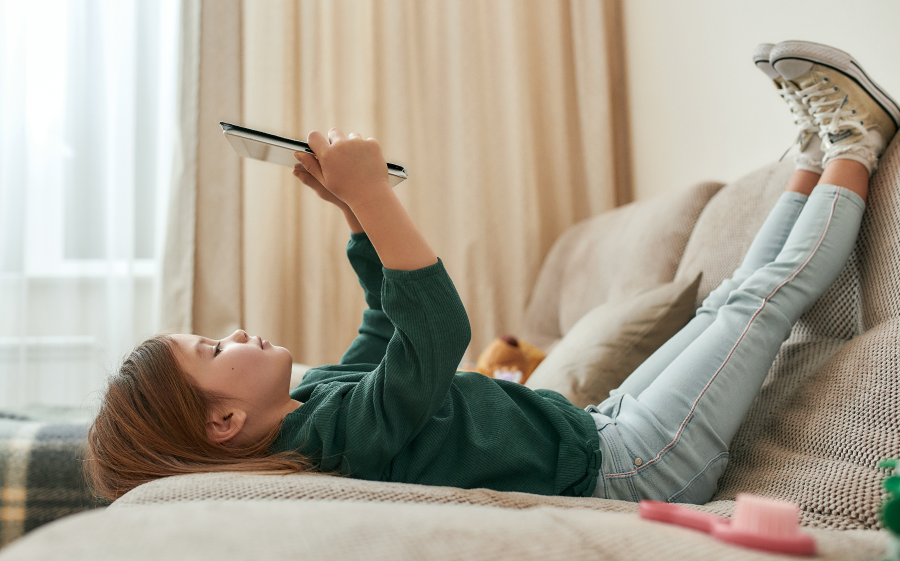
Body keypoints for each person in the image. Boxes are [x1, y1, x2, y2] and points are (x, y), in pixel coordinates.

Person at [86, 40, 898, 504]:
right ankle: (857, 140)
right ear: (224, 424)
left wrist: (354, 215)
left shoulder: (317, 401)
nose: (232, 332)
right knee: (752, 303)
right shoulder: (336, 442)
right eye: (212, 350)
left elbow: (385, 329)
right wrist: (373, 195)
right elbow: (436, 335)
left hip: (598, 433)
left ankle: (811, 156)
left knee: (726, 301)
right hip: (635, 470)